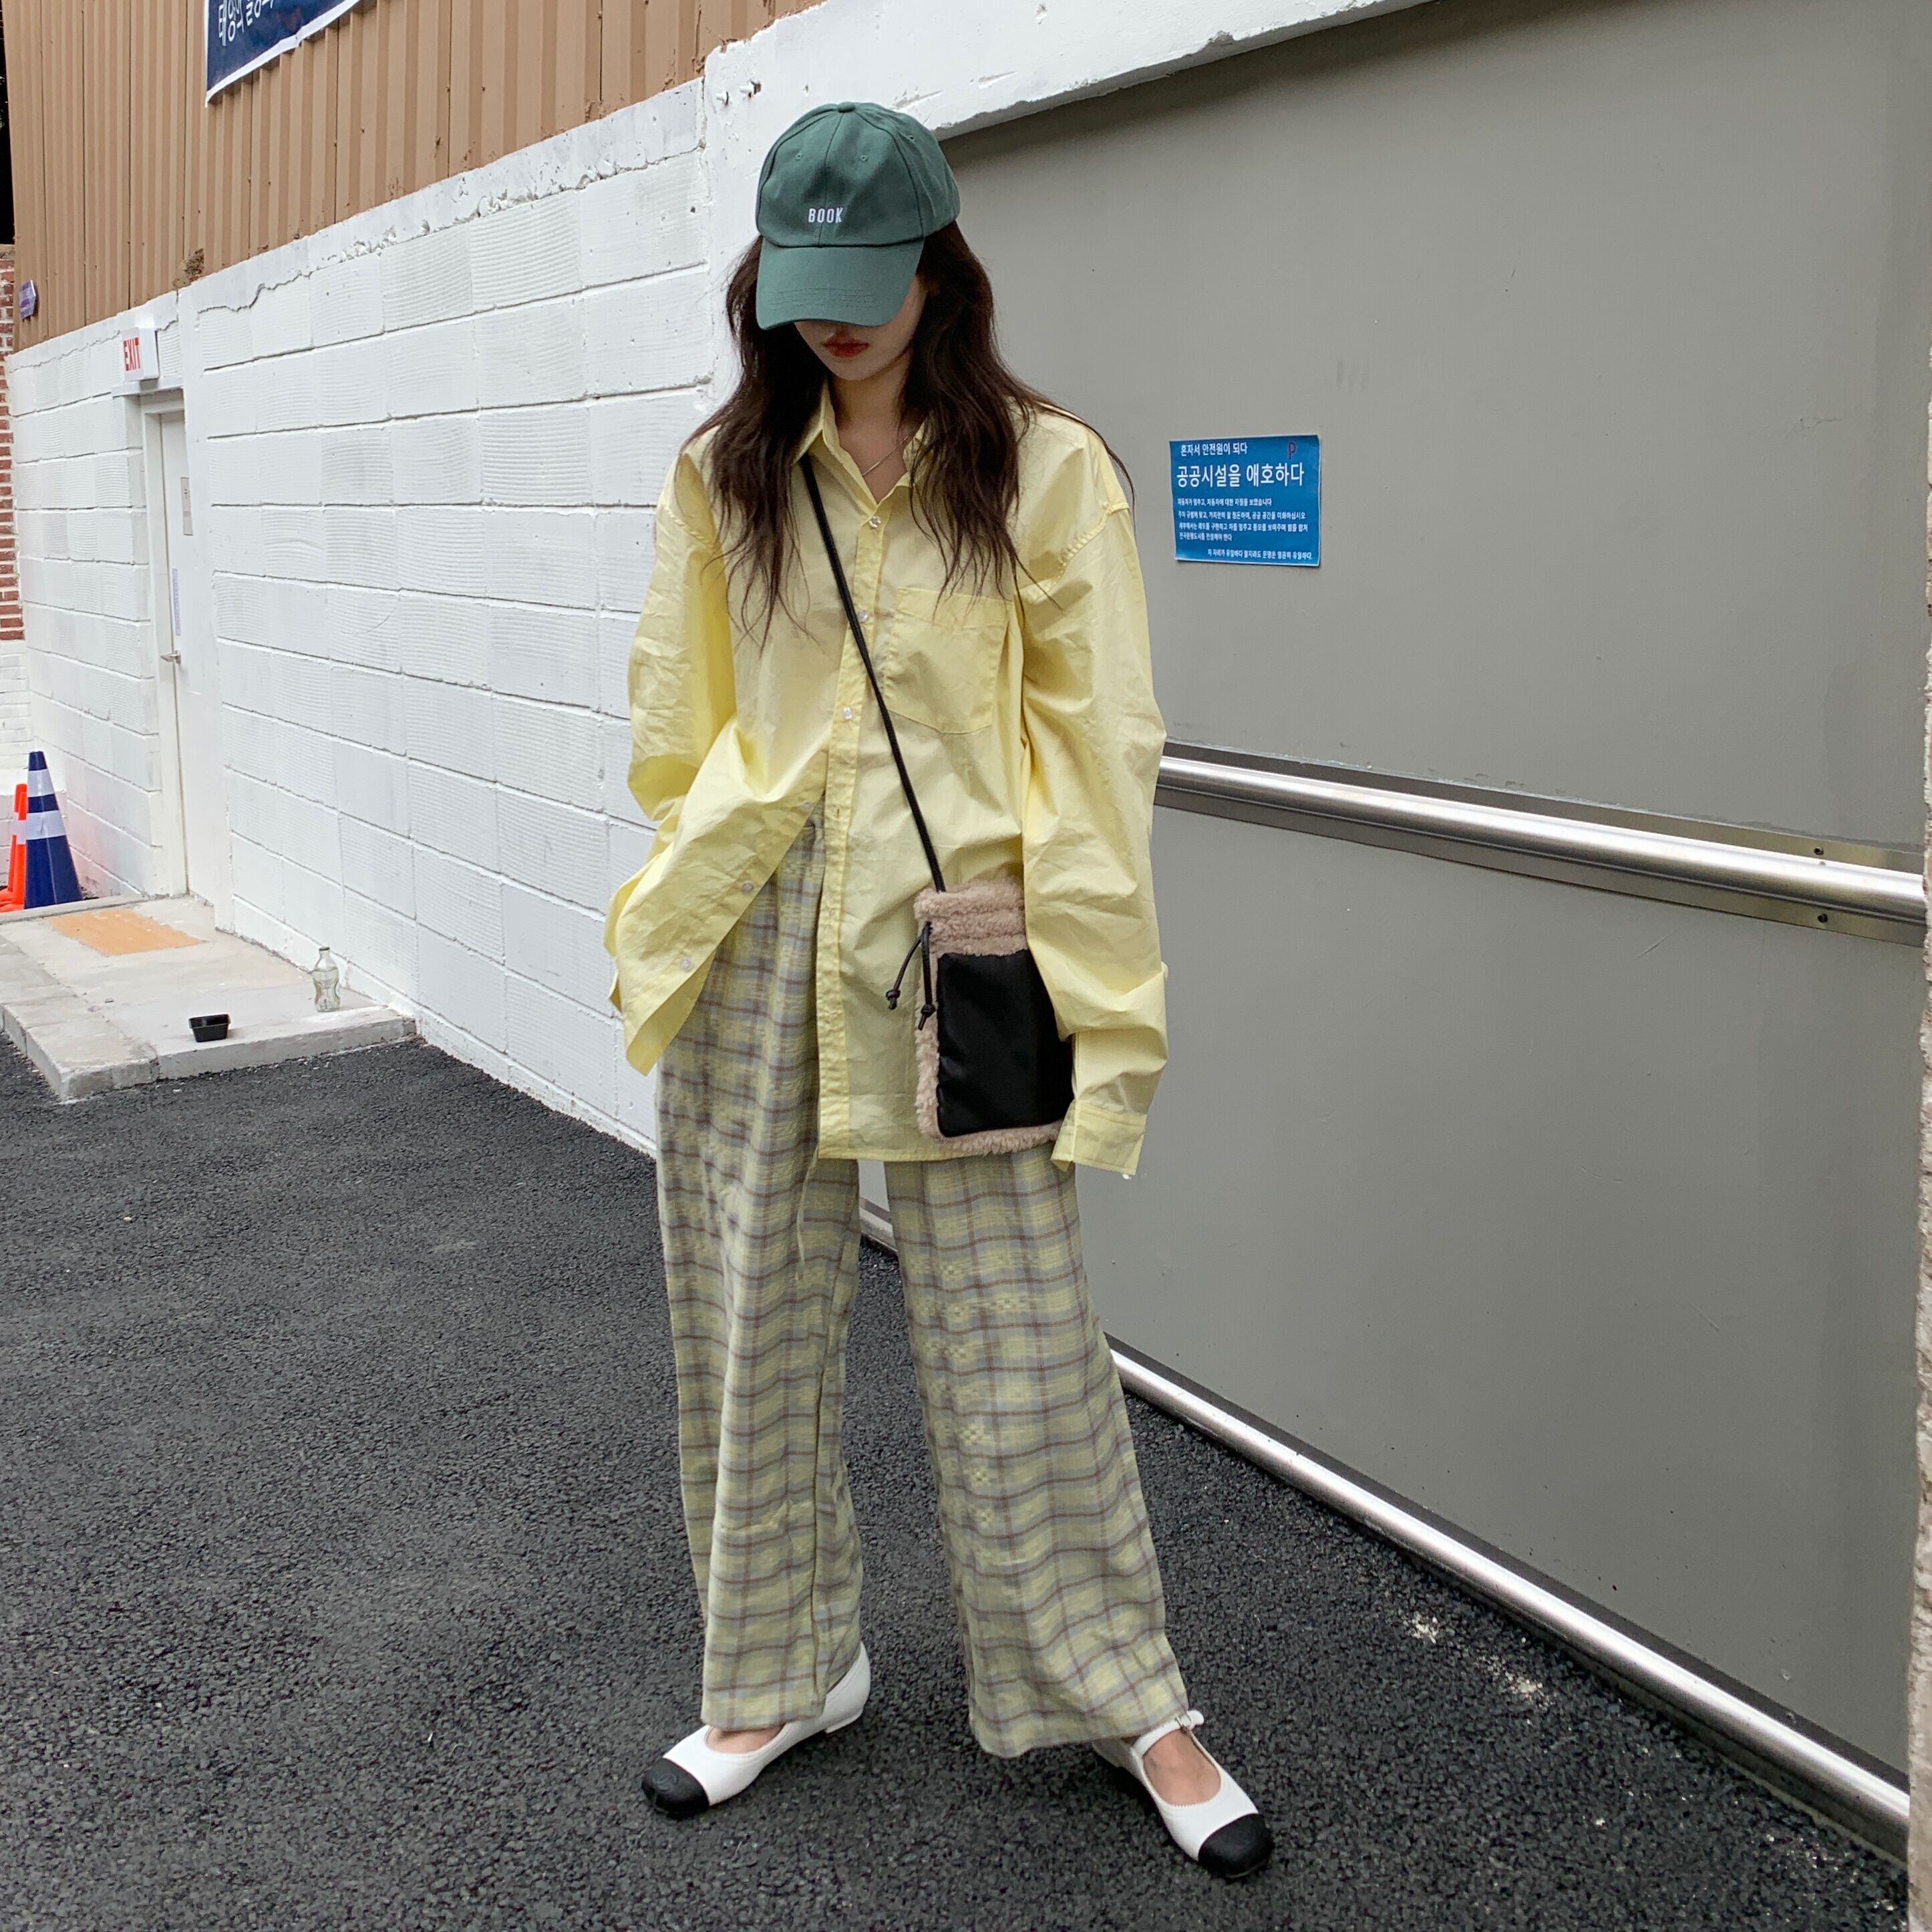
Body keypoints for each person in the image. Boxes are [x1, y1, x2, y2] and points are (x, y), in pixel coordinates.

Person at [603, 100, 1272, 1881]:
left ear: (938, 267)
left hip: (953, 944)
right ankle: (777, 1672)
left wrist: (1103, 1015)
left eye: (865, 278)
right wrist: (677, 900)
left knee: (1017, 1340)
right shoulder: (729, 473)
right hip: (760, 931)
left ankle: (1126, 1698)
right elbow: (680, 725)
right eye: (800, 283)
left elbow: (1098, 757)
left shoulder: (1046, 473)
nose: (832, 317)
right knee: (743, 1322)